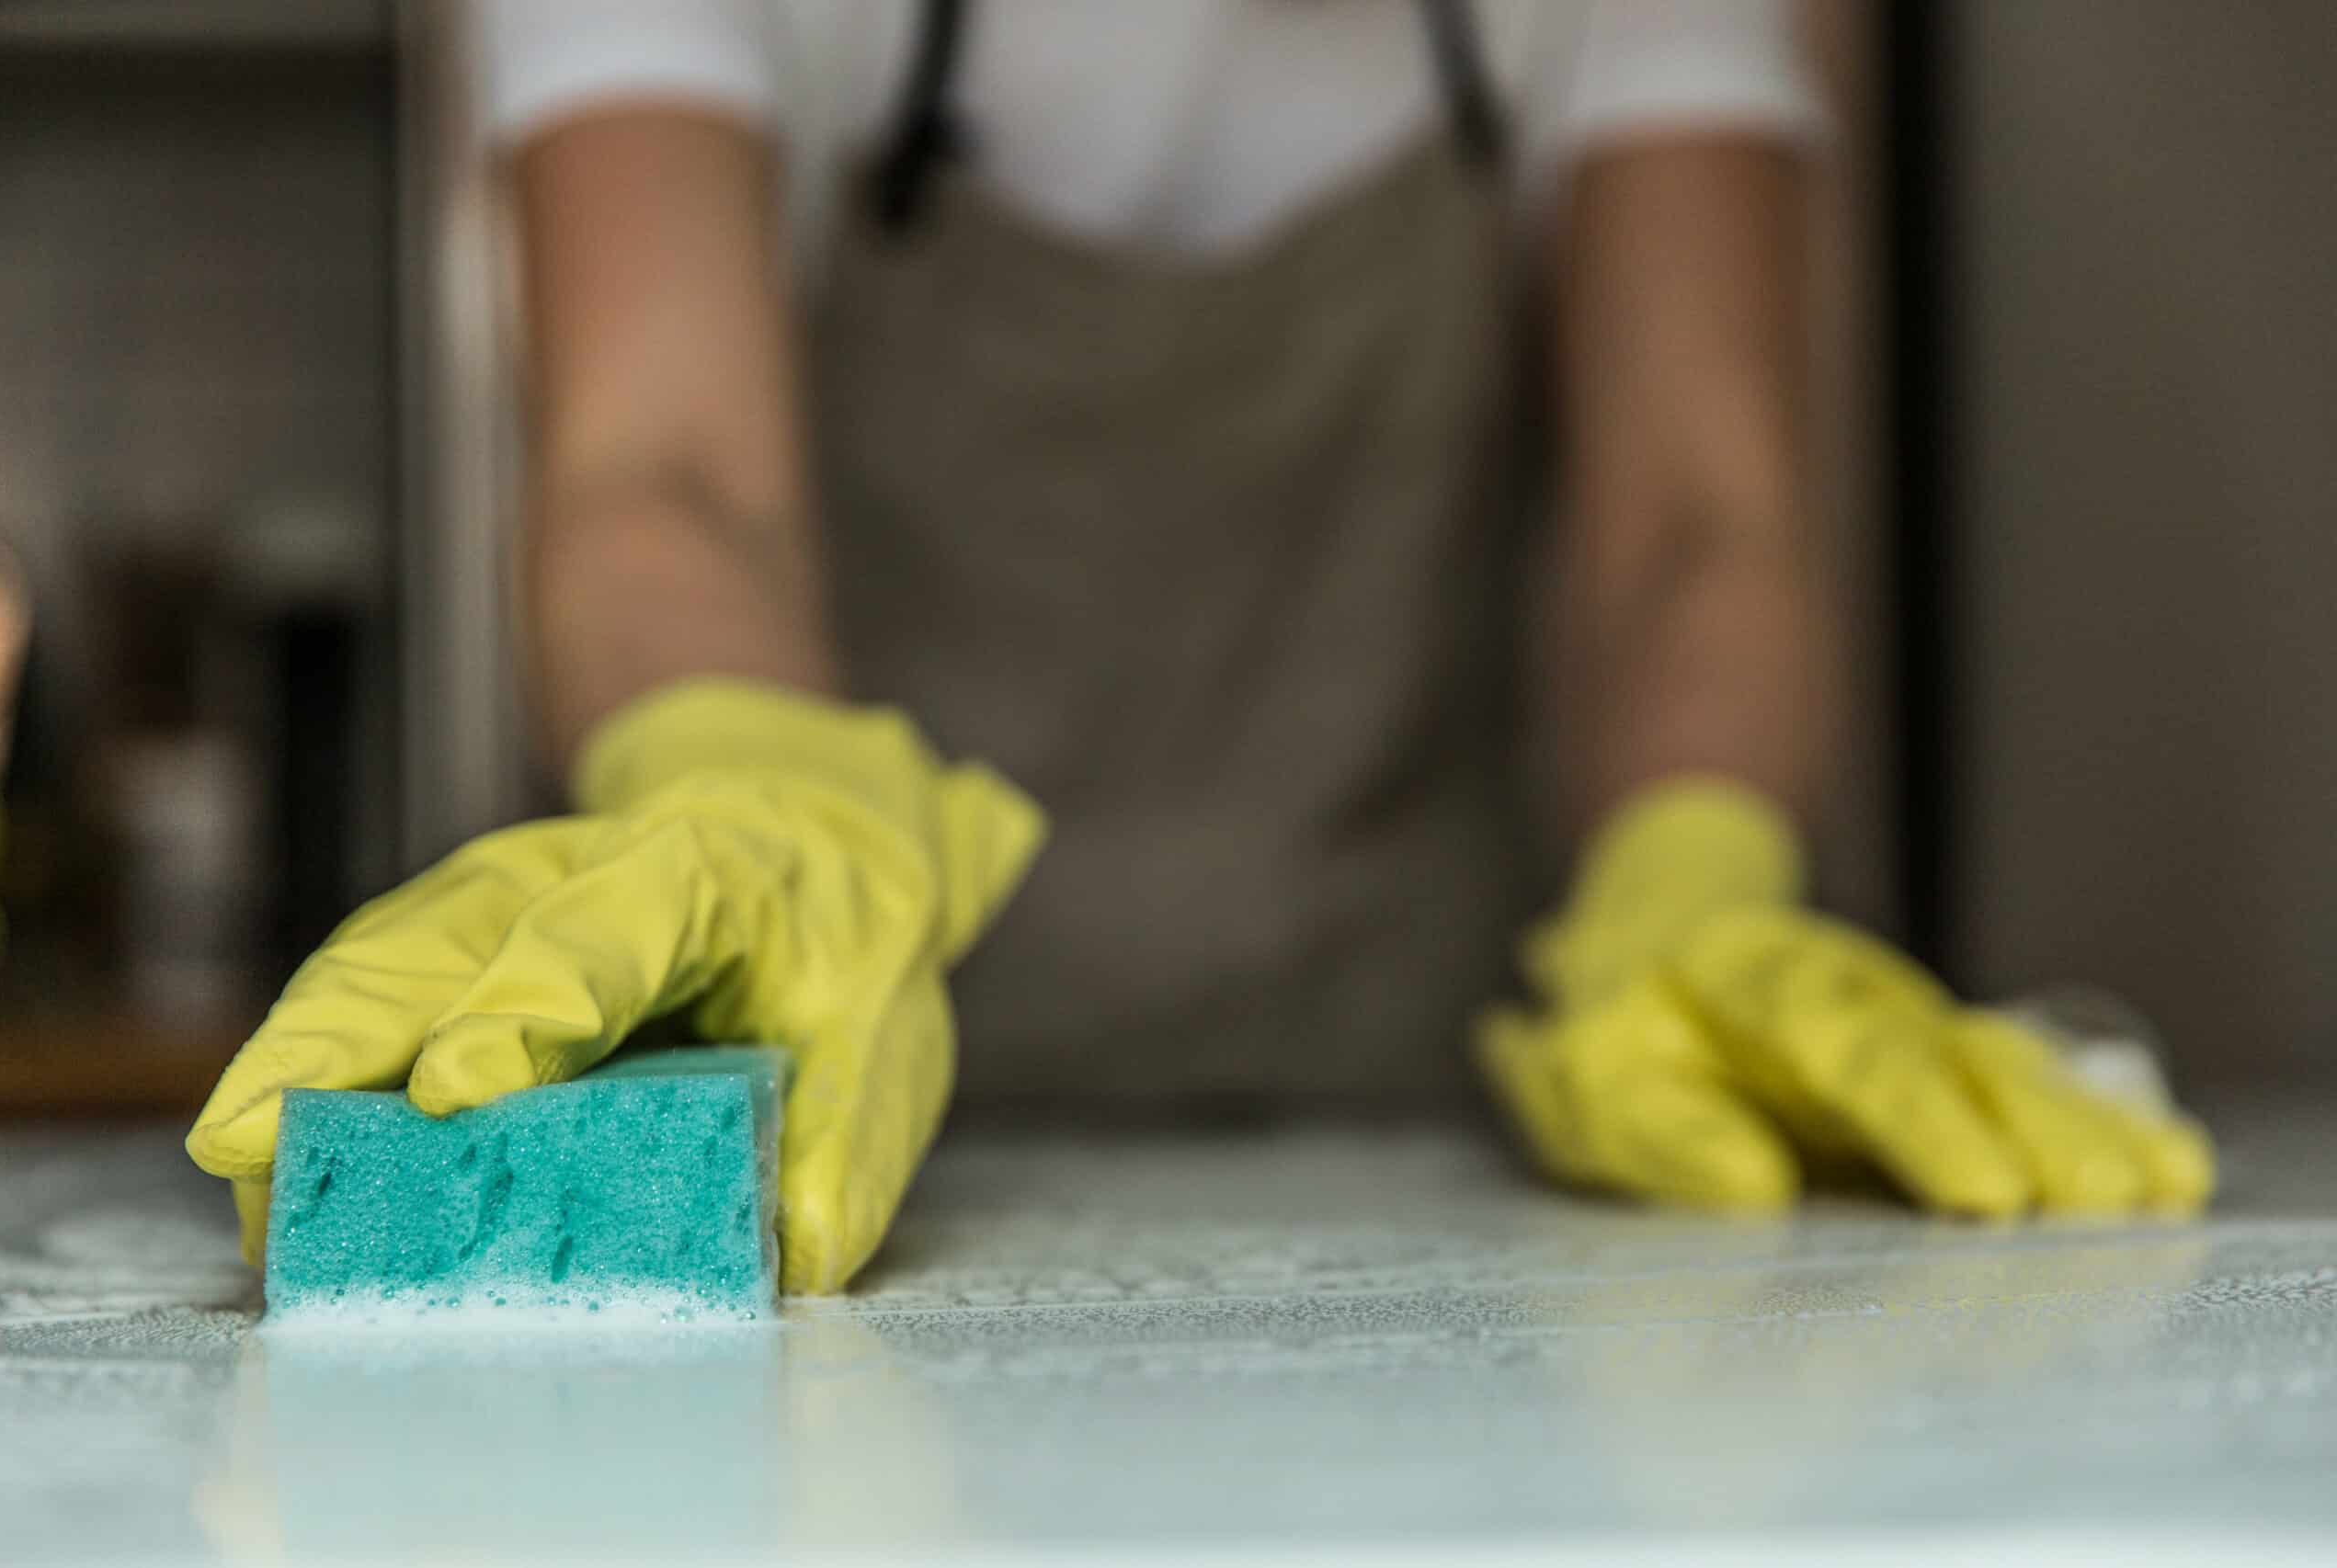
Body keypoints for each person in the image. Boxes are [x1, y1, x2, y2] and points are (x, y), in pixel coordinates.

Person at [186, 0, 2212, 1294]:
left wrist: (1697, 866)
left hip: (1437, 1152)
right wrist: (755, 798)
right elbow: (659, 465)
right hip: (871, 1137)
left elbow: (1703, 517)